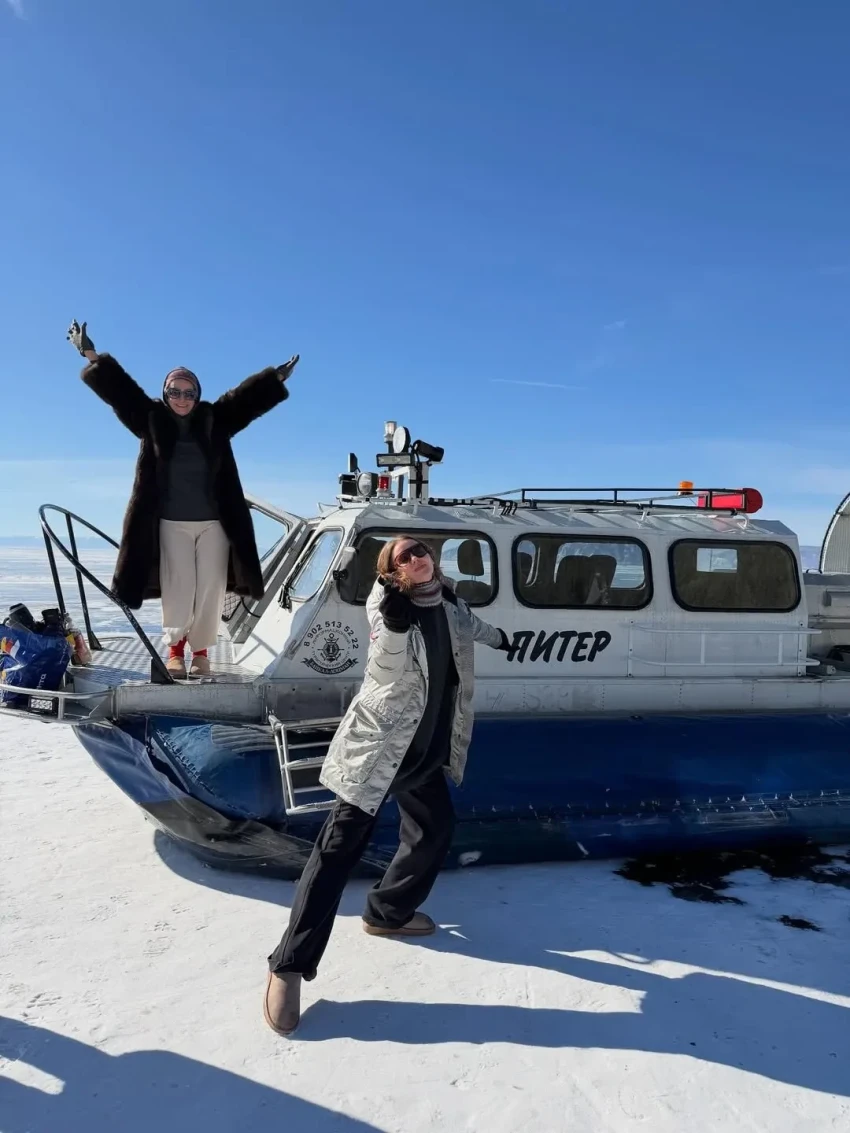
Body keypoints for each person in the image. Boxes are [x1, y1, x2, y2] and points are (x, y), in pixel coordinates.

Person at [264, 535, 511, 1035]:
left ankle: (387, 912)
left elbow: (471, 627)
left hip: (424, 751)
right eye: (404, 556)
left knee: (434, 829)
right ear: (392, 571)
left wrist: (504, 639)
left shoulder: (448, 600)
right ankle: (288, 965)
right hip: (381, 752)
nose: (417, 558)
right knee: (335, 855)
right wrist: (396, 628)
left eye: (421, 550)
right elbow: (384, 669)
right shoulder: (388, 609)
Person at [66, 320, 299, 677]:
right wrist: (91, 354)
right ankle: (175, 652)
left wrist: (275, 378)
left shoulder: (215, 419)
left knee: (209, 590)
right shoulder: (150, 419)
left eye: (189, 393)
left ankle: (201, 654)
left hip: (215, 524)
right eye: (175, 392)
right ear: (165, 393)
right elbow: (121, 392)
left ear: (197, 395)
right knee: (179, 588)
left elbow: (244, 400)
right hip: (171, 523)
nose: (182, 398)